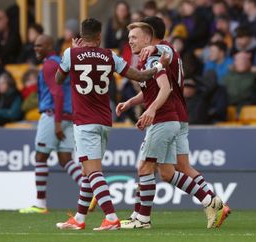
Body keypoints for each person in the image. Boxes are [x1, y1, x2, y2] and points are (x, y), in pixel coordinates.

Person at [55, 18, 170, 231]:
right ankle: (79, 219)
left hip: (84, 121)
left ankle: (110, 217)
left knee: (93, 171)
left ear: (81, 36)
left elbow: (58, 79)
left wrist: (72, 52)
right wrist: (158, 68)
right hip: (104, 121)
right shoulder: (110, 56)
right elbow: (138, 75)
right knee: (89, 169)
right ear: (99, 36)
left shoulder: (71, 54)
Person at [118, 16, 229, 229]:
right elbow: (152, 87)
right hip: (172, 115)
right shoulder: (151, 56)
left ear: (149, 37)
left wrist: (150, 109)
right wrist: (132, 102)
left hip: (166, 114)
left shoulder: (159, 52)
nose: (130, 41)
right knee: (169, 171)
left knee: (149, 166)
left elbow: (165, 67)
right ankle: (210, 201)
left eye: (134, 36)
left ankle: (142, 219)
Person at [19, 35, 83, 214]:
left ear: (49, 46)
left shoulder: (49, 65)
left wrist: (56, 122)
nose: (36, 49)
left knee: (41, 157)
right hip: (70, 116)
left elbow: (58, 94)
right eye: (35, 46)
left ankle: (40, 204)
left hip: (53, 115)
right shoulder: (62, 62)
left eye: (39, 46)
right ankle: (90, 190)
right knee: (65, 159)